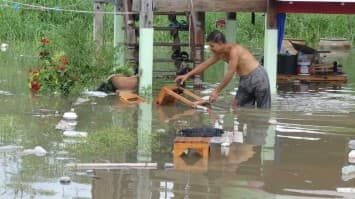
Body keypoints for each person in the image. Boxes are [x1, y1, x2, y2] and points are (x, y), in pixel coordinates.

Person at [175, 30, 271, 108]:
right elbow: (205, 65)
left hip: (258, 77)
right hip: (244, 80)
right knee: (237, 107)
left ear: (220, 43)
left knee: (264, 110)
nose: (211, 49)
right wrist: (187, 75)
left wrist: (216, 91)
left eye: (212, 46)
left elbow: (230, 73)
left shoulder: (234, 50)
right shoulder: (220, 53)